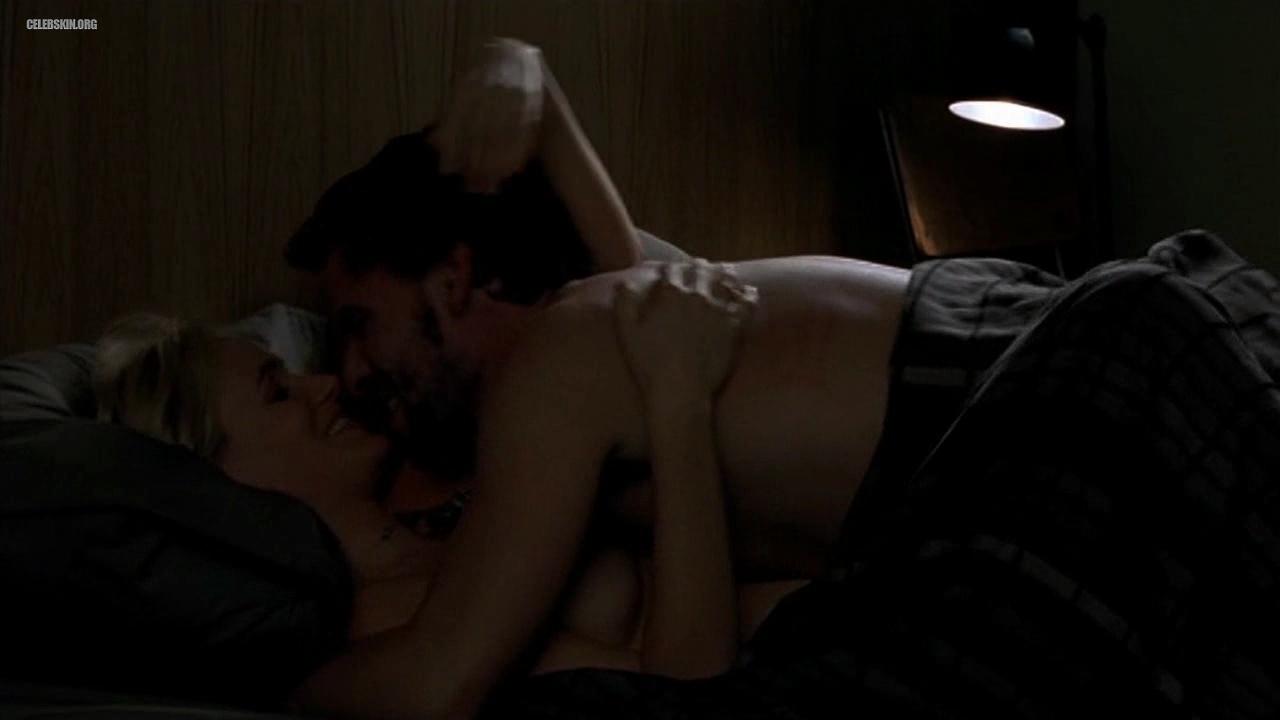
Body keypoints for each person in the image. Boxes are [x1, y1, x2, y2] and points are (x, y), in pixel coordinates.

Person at [282, 36, 919, 720]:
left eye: (358, 324)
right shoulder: (616, 329)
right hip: (934, 461)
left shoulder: (560, 356)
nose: (348, 373)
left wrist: (260, 680)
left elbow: (437, 683)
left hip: (967, 411)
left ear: (452, 277)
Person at [92, 260, 789, 686]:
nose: (327, 384)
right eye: (278, 391)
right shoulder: (383, 620)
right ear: (216, 475)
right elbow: (685, 691)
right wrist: (679, 397)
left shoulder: (434, 500)